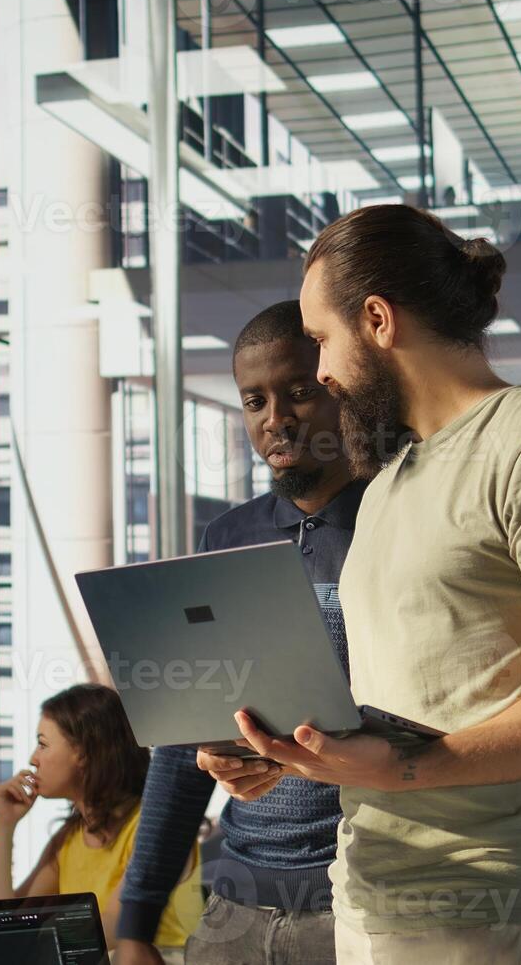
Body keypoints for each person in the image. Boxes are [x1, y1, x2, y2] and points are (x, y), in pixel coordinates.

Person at [198, 204, 521, 964]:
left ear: (377, 319)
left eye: (320, 340)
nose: (317, 371)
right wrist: (285, 754)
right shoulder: (390, 480)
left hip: (504, 911)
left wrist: (407, 766)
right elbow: (426, 697)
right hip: (372, 898)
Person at [116, 301, 365, 965]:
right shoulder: (226, 538)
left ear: (338, 390)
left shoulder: (394, 518)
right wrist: (135, 921)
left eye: (298, 393)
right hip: (235, 907)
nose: (275, 418)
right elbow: (184, 740)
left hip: (357, 902)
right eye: (254, 400)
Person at [0, 684, 203, 958]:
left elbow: (114, 927)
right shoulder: (69, 838)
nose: (33, 759)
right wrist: (5, 825)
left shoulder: (151, 826)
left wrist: (30, 938)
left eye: (43, 744)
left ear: (86, 752)